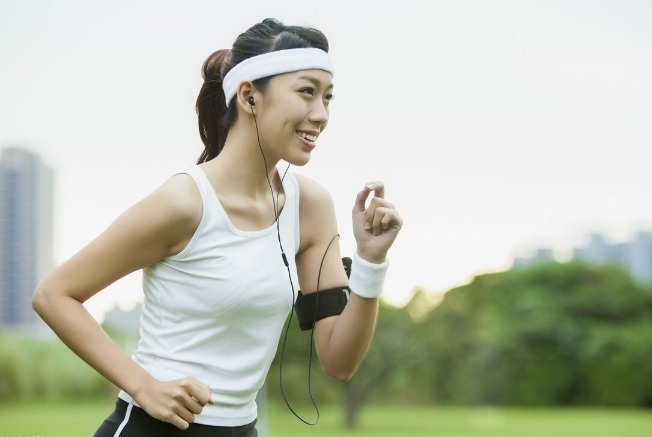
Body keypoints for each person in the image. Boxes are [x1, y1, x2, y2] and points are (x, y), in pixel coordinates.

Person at [32, 18, 402, 436]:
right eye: (306, 92)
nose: (321, 114)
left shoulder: (311, 207)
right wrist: (143, 385)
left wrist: (371, 263)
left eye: (328, 98)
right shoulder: (184, 203)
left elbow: (338, 362)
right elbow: (54, 294)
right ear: (248, 97)